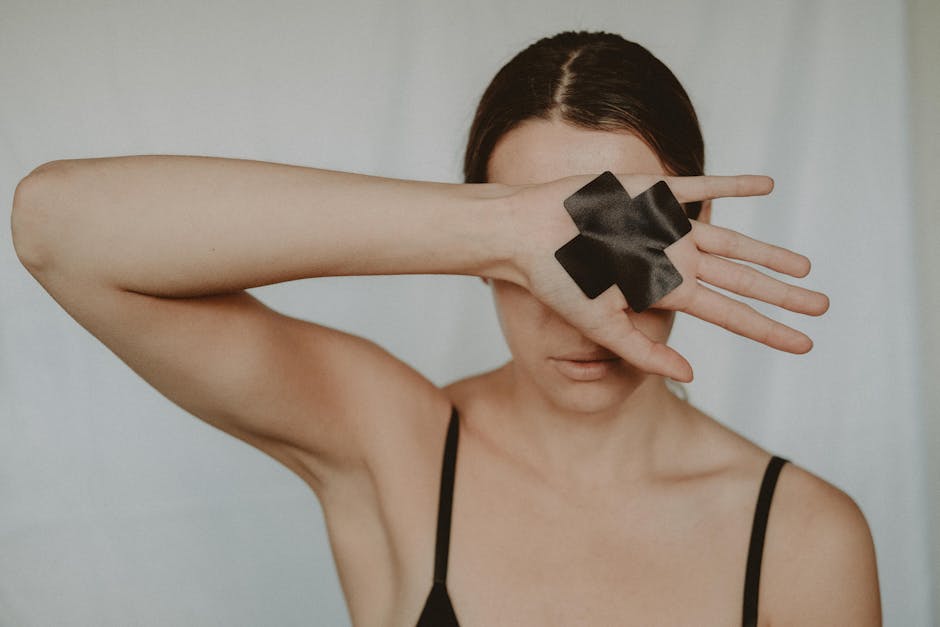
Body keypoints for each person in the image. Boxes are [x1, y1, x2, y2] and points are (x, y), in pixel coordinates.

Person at [11, 29, 880, 627]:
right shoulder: (396, 446)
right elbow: (56, 226)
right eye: (553, 251)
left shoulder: (805, 537)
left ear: (696, 231)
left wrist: (549, 228)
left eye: (627, 237)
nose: (585, 302)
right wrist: (503, 229)